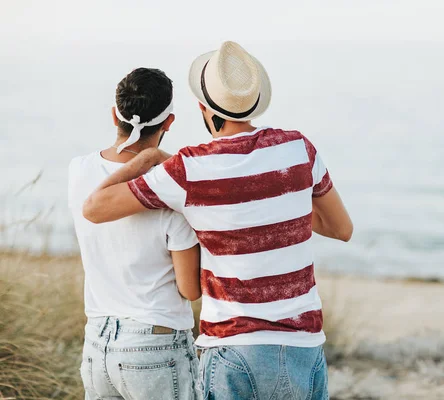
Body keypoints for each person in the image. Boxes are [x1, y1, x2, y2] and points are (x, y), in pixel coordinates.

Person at [82, 41, 353, 399]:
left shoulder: (190, 170)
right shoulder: (298, 149)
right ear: (255, 103)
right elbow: (341, 229)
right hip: (304, 348)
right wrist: (276, 207)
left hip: (233, 351)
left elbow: (95, 208)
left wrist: (147, 159)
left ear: (203, 108)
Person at [68, 67, 201, 400]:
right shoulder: (168, 191)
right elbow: (189, 289)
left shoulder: (79, 170)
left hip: (98, 342)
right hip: (155, 346)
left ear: (115, 115)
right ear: (169, 122)